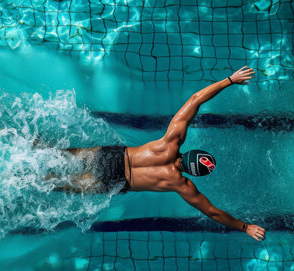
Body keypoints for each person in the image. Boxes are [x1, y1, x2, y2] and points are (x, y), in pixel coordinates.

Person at [57, 66, 266, 241]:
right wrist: (245, 227)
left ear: (189, 152)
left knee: (58, 155)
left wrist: (230, 80)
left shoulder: (170, 143)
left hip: (113, 157)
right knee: (56, 184)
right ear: (194, 174)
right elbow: (212, 212)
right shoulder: (181, 185)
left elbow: (195, 100)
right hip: (117, 181)